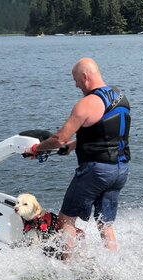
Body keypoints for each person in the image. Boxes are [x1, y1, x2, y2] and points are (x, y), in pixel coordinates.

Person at [25, 57, 131, 253]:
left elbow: (59, 139)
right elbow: (107, 133)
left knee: (66, 219)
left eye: (76, 80)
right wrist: (75, 145)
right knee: (104, 223)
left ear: (85, 76)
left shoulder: (87, 103)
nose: (75, 85)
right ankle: (114, 264)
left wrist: (35, 149)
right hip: (120, 170)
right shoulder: (120, 96)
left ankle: (67, 268)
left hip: (95, 171)